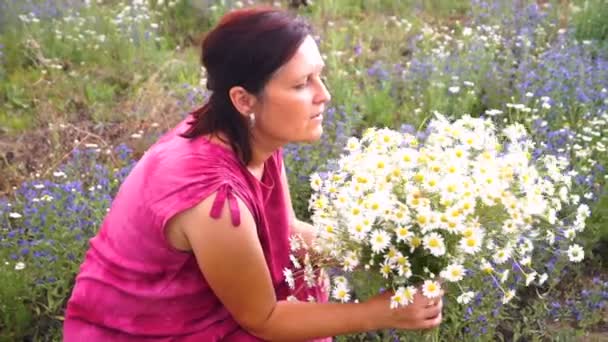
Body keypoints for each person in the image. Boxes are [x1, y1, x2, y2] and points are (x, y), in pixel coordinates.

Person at [63, 6, 444, 341]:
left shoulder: (246, 134)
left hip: (199, 307)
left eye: (319, 76)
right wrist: (381, 312)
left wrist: (384, 251)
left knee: (306, 287)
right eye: (301, 84)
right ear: (243, 99)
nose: (324, 94)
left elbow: (288, 231)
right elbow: (264, 319)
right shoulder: (213, 200)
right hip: (146, 331)